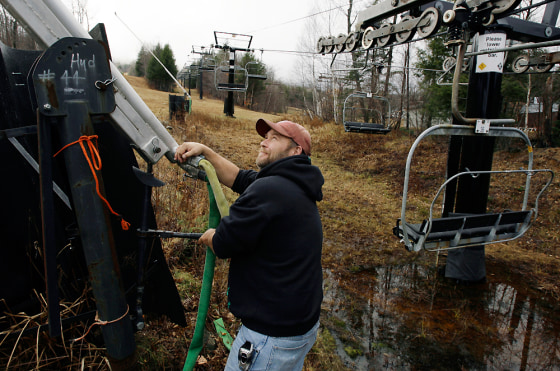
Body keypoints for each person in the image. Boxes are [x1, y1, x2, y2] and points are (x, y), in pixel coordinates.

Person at [175, 118, 324, 371]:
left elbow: (224, 243)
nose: (263, 142)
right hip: (298, 327)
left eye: (274, 138)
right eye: (265, 136)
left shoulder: (270, 189)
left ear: (296, 150)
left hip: (269, 337)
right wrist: (205, 151)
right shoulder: (295, 183)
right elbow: (240, 178)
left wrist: (211, 235)